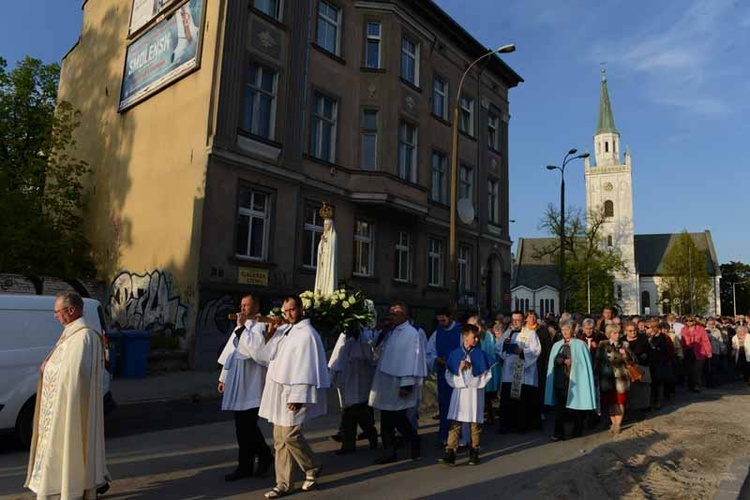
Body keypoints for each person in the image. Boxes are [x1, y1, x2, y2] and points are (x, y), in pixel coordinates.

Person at [25, 292, 110, 499]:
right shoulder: (72, 333)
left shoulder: (84, 336)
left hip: (70, 407)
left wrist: (49, 367)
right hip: (60, 404)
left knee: (69, 448)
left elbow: (76, 373)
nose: (55, 316)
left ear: (71, 310)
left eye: (57, 312)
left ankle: (69, 490)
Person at [258, 295, 330, 499]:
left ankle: (312, 465)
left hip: (294, 392)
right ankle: (283, 484)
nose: (288, 314)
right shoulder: (285, 330)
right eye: (285, 310)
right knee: (280, 439)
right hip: (278, 392)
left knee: (290, 435)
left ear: (301, 309)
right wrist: (271, 334)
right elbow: (265, 356)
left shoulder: (307, 334)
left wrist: (298, 395)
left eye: (292, 310)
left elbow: (305, 366)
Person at [217, 295, 274, 481]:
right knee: (241, 428)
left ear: (256, 306)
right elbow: (231, 354)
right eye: (240, 304)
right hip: (237, 382)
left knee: (247, 427)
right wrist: (223, 377)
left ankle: (261, 458)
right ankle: (248, 464)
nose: (242, 308)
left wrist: (242, 328)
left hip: (252, 384)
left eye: (246, 305)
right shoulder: (240, 326)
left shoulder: (260, 326)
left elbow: (257, 352)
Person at [369, 302, 427, 464]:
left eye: (395, 314)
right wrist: (382, 333)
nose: (391, 317)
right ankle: (389, 451)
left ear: (404, 316)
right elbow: (376, 350)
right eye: (391, 314)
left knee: (397, 418)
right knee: (387, 418)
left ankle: (413, 441)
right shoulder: (391, 331)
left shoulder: (411, 334)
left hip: (399, 383)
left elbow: (412, 359)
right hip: (386, 382)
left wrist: (407, 384)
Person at [440, 324, 494, 466]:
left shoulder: (480, 354)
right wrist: (459, 370)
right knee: (456, 422)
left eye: (477, 337)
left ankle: (474, 451)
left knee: (475, 424)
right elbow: (448, 374)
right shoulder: (455, 354)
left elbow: (487, 375)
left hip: (474, 392)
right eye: (473, 337)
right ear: (465, 337)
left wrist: (472, 371)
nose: (476, 339)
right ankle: (450, 452)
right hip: (459, 392)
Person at [327, 325, 378, 454]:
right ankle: (348, 445)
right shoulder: (344, 338)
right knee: (348, 414)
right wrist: (331, 379)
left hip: (362, 379)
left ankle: (371, 434)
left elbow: (371, 357)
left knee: (358, 412)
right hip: (348, 379)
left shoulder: (366, 337)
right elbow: (336, 359)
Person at [544, 321, 597, 441]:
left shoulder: (580, 345)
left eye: (567, 330)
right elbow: (551, 363)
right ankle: (559, 433)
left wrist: (572, 363)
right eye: (563, 330)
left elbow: (584, 364)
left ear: (573, 331)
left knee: (575, 408)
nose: (565, 332)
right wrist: (557, 361)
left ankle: (577, 430)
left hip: (575, 380)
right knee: (560, 408)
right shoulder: (557, 345)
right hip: (560, 380)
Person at [495, 311, 542, 433]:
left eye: (518, 320)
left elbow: (536, 350)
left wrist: (521, 351)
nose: (516, 322)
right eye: (514, 320)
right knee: (507, 400)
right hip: (509, 372)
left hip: (524, 372)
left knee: (522, 401)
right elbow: (498, 347)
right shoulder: (507, 333)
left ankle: (522, 425)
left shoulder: (531, 333)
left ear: (523, 320)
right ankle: (506, 425)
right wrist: (504, 349)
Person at [426, 308, 462, 444]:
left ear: (450, 317)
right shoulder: (437, 333)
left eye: (444, 320)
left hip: (457, 374)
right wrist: (436, 359)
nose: (441, 323)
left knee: (458, 405)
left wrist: (453, 361)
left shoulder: (459, 331)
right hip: (443, 374)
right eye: (439, 321)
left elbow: (464, 349)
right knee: (444, 404)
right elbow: (430, 351)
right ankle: (444, 435)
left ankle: (458, 436)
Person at [594, 324, 632, 434]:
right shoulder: (603, 344)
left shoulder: (624, 344)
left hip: (621, 378)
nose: (617, 335)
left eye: (618, 333)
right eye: (614, 333)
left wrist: (625, 355)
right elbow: (597, 360)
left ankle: (618, 424)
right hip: (607, 378)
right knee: (611, 402)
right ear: (609, 334)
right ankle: (613, 423)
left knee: (620, 402)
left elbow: (633, 360)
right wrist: (596, 374)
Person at [467, 316, 500, 425]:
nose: (475, 327)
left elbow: (492, 353)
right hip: (474, 368)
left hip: (485, 367)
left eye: (476, 324)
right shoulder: (468, 337)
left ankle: (489, 415)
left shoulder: (488, 336)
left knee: (487, 395)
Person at [623, 321, 652, 413]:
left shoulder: (642, 338)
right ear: (626, 331)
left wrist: (645, 355)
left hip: (642, 366)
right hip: (628, 367)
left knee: (644, 388)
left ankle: (645, 407)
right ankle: (631, 409)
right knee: (631, 389)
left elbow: (648, 351)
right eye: (630, 331)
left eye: (634, 330)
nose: (633, 332)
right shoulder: (622, 340)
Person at [681, 316, 712, 393]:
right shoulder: (684, 330)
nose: (689, 322)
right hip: (688, 351)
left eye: (691, 320)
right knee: (689, 369)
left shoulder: (700, 329)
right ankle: (690, 385)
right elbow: (682, 341)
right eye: (687, 321)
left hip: (699, 351)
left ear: (694, 321)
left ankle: (697, 385)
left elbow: (705, 340)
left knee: (697, 369)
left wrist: (708, 352)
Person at [645, 320, 671, 410]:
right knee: (651, 384)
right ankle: (651, 401)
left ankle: (659, 401)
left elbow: (664, 351)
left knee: (658, 383)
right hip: (649, 363)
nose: (646, 329)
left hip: (659, 363)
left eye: (647, 327)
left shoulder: (662, 337)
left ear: (654, 328)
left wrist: (652, 344)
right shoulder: (646, 337)